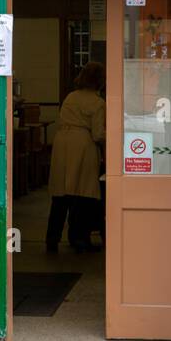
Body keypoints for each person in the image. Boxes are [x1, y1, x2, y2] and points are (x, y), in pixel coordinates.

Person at [46, 61, 106, 253]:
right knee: (82, 194)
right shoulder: (98, 103)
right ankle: (79, 238)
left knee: (60, 195)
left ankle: (52, 238)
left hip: (62, 142)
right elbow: (98, 134)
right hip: (82, 145)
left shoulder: (70, 97)